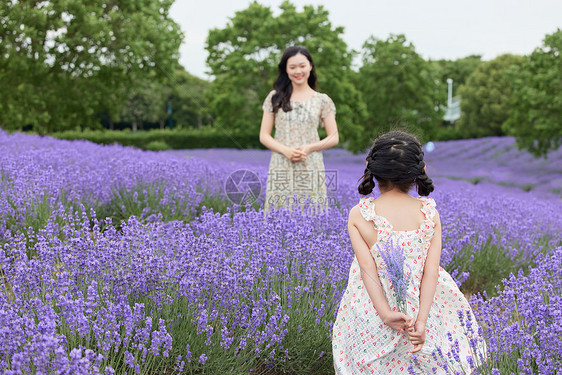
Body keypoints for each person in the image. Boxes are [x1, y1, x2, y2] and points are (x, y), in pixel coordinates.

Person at [332, 131, 486, 374]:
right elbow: (431, 272)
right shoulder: (428, 213)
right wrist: (422, 320)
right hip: (424, 304)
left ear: (369, 166)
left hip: (374, 305)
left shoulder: (359, 215)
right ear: (420, 170)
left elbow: (367, 270)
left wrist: (384, 313)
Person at [259, 46, 339, 212]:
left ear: (310, 66)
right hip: (281, 163)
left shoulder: (322, 100)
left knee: (312, 212)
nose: (298, 71)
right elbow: (264, 135)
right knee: (279, 212)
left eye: (302, 66)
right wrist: (286, 151)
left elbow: (334, 137)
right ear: (285, 70)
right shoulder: (275, 97)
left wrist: (310, 147)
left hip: (310, 164)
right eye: (292, 67)